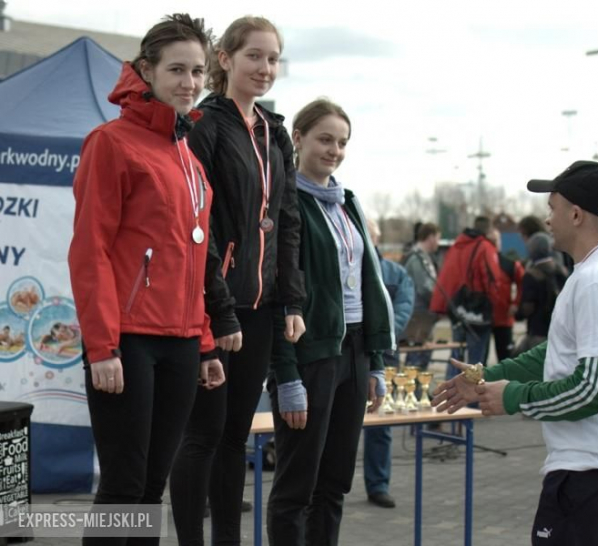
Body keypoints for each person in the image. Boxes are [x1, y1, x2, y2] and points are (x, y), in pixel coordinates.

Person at [433, 160, 598, 546]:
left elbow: (596, 388)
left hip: (592, 470)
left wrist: (514, 398)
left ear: (575, 213)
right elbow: (557, 355)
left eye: (552, 206)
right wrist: (487, 377)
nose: (547, 217)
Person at [67, 14, 225, 545]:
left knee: (153, 486)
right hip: (128, 342)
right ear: (146, 71)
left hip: (181, 344)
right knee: (123, 484)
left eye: (198, 70)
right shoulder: (110, 143)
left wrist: (205, 345)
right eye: (176, 69)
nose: (189, 81)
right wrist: (102, 347)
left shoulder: (189, 156)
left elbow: (193, 262)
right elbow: (91, 251)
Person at [168, 16, 306, 545]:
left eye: (273, 59)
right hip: (210, 308)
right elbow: (195, 224)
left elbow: (287, 220)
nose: (265, 68)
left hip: (261, 307)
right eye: (254, 56)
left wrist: (290, 299)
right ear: (224, 60)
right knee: (201, 437)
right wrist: (219, 307)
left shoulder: (274, 130)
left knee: (235, 439)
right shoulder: (204, 124)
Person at [266, 98, 393, 546]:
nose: (334, 150)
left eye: (342, 142)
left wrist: (375, 362)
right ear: (297, 139)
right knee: (296, 485)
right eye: (324, 139)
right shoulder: (287, 203)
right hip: (311, 354)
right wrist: (286, 376)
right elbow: (278, 295)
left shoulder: (349, 202)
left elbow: (367, 282)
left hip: (355, 351)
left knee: (335, 482)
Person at [363, 219, 414, 509]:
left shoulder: (396, 274)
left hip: (385, 353)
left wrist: (378, 338)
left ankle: (378, 484)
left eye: (369, 235)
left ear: (377, 239)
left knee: (380, 423)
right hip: (349, 352)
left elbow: (403, 311)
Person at [430, 216, 503, 377]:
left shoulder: (458, 246)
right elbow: (491, 279)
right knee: (476, 360)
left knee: (456, 355)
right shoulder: (485, 247)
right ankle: (473, 400)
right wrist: (493, 305)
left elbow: (447, 276)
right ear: (489, 231)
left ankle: (451, 395)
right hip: (478, 312)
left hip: (457, 308)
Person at [514, 232, 568, 354]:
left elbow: (528, 307)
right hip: (560, 332)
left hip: (538, 332)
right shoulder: (562, 271)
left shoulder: (531, 274)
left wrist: (517, 314)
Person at [402, 222, 441, 369]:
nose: (438, 242)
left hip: (424, 315)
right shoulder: (417, 259)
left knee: (423, 358)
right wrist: (439, 304)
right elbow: (424, 288)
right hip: (418, 317)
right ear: (430, 237)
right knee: (416, 361)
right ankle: (414, 391)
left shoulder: (425, 258)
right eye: (437, 238)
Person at [486, 227, 525, 360]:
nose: (493, 244)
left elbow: (523, 283)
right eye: (490, 240)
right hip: (482, 318)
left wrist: (516, 303)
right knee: (479, 361)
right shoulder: (479, 263)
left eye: (495, 240)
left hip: (503, 318)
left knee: (505, 358)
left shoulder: (509, 264)